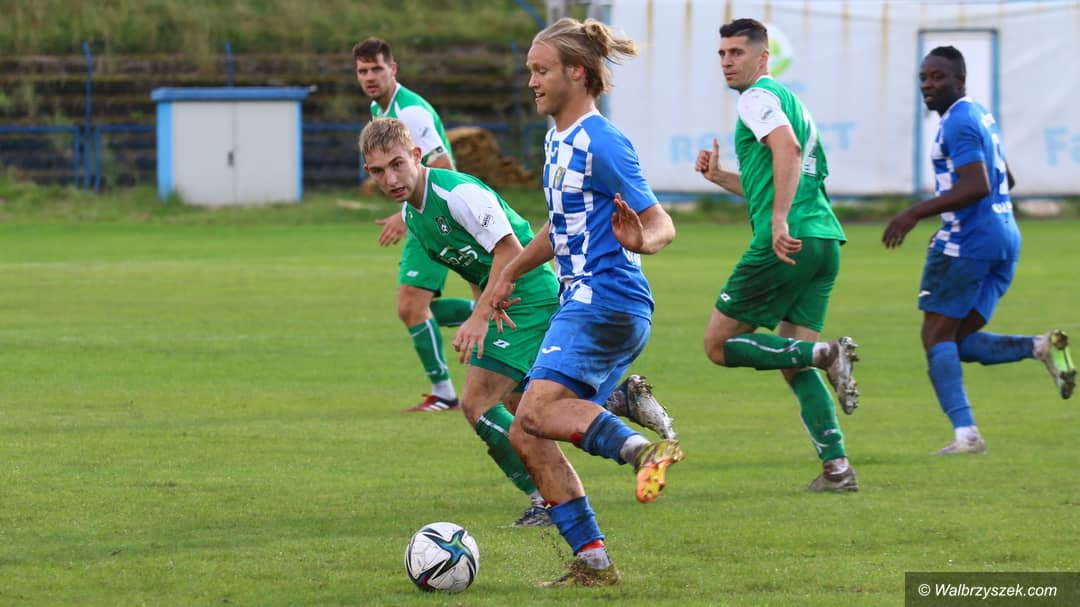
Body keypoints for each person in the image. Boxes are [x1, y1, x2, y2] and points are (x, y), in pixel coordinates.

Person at [360, 117, 678, 528]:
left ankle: (547, 499)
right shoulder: (415, 216)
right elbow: (476, 266)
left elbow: (509, 249)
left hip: (531, 291)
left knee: (478, 402)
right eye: (378, 171)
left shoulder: (456, 193)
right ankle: (616, 402)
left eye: (397, 164)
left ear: (417, 155)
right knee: (522, 406)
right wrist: (485, 308)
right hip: (509, 301)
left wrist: (480, 316)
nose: (390, 178)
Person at [488, 17, 683, 587]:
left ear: (577, 72)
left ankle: (641, 450)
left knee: (533, 412)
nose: (531, 81)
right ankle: (593, 562)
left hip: (605, 299)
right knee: (526, 432)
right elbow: (560, 227)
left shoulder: (601, 140)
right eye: (530, 70)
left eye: (541, 70)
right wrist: (509, 274)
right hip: (589, 300)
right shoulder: (557, 139)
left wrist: (641, 240)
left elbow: (661, 222)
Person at [693, 18, 861, 492]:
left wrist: (780, 221)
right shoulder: (791, 102)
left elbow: (787, 150)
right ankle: (837, 470)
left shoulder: (756, 98)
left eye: (737, 53)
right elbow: (778, 177)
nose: (727, 62)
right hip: (824, 240)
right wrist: (721, 177)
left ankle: (827, 353)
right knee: (792, 360)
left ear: (763, 57)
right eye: (722, 53)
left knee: (718, 346)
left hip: (787, 240)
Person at [882, 46, 1075, 455]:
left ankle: (966, 435)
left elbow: (977, 185)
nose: (928, 85)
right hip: (1004, 237)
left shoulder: (959, 122)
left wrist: (914, 213)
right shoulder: (979, 115)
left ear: (961, 80)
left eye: (938, 77)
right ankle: (1038, 347)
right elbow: (1006, 178)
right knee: (956, 340)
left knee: (935, 337)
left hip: (969, 243)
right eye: (924, 78)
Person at [353, 37, 473, 413]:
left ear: (393, 69)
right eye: (362, 71)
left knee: (411, 306)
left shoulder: (412, 113)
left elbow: (443, 166)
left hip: (437, 216)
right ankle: (494, 310)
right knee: (415, 308)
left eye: (376, 69)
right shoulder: (380, 109)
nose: (369, 77)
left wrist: (404, 214)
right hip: (422, 215)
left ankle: (445, 393)